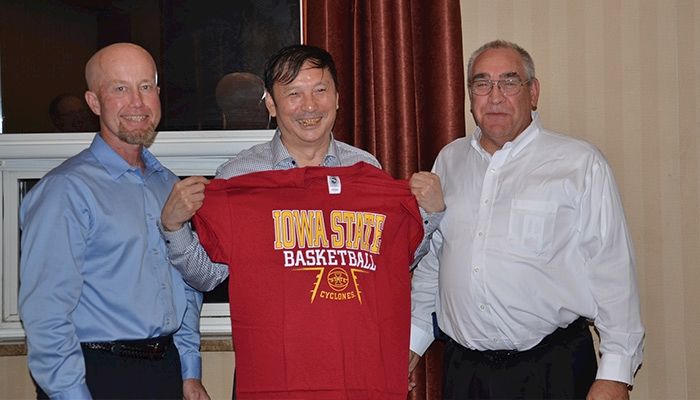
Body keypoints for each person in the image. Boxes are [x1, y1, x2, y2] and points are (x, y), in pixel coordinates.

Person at [159, 44, 441, 398]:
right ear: (272, 105)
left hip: (354, 377)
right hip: (275, 378)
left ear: (337, 98)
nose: (309, 106)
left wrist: (430, 215)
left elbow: (392, 263)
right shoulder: (238, 177)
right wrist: (174, 227)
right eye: (294, 94)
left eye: (320, 90)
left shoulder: (367, 170)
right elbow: (207, 276)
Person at [408, 40, 644, 400]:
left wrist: (615, 374)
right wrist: (411, 345)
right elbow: (435, 264)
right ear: (470, 96)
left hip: (553, 371)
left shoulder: (578, 163)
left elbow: (612, 272)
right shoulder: (450, 161)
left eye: (509, 82)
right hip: (464, 374)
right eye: (482, 83)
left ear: (532, 92)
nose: (495, 96)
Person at [19, 42, 210, 400]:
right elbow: (46, 314)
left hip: (165, 370)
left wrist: (188, 371)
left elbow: (185, 287)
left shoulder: (168, 184)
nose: (137, 102)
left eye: (146, 86)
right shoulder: (65, 191)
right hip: (96, 376)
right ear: (94, 102)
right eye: (120, 88)